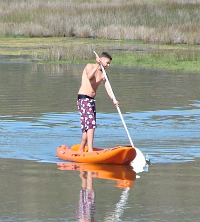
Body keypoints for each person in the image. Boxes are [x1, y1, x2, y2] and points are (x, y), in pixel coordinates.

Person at [77, 52, 119, 152]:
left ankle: (81, 149)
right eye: (107, 63)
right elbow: (90, 76)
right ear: (101, 59)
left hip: (91, 100)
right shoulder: (90, 66)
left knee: (88, 127)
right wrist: (97, 65)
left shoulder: (104, 74)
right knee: (91, 125)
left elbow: (108, 87)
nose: (108, 65)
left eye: (109, 64)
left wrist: (114, 99)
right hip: (83, 98)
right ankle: (90, 150)